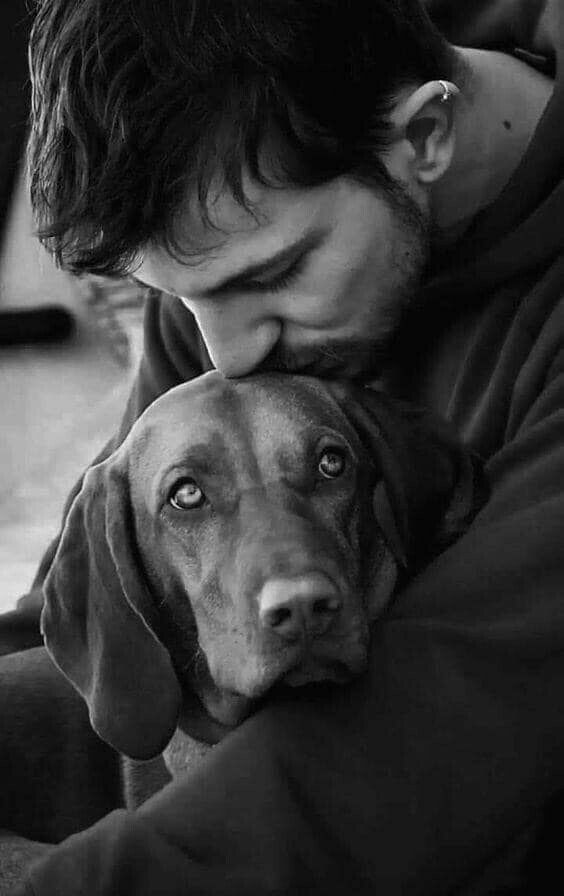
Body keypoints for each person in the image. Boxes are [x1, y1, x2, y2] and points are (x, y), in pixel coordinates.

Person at [4, 0, 564, 892]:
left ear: (424, 134)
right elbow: (99, 600)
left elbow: (449, 720)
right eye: (182, 299)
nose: (226, 356)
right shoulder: (239, 225)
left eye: (270, 276)